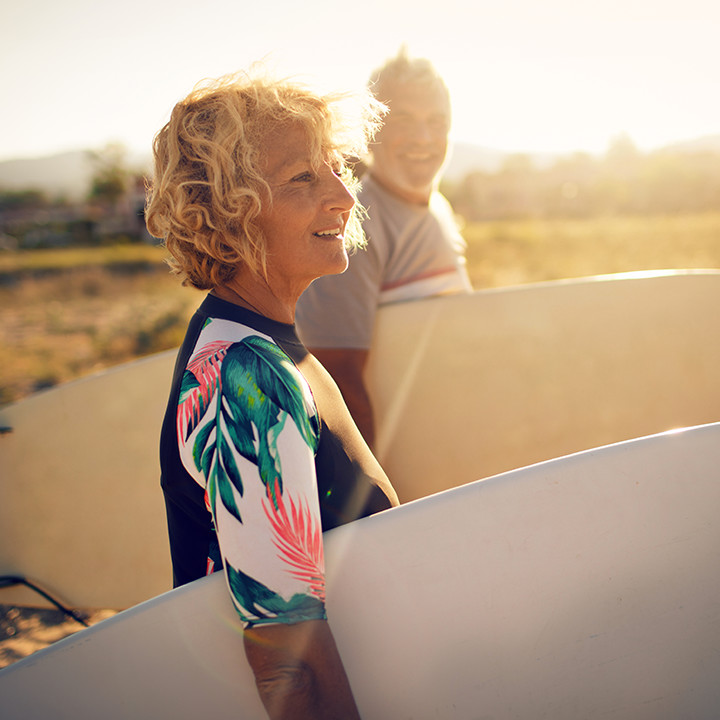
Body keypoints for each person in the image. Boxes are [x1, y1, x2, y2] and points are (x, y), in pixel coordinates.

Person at [146, 70, 399, 720]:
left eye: (337, 168)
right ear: (228, 210)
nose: (344, 196)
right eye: (302, 179)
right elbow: (283, 656)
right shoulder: (246, 373)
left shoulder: (265, 343)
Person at [295, 49, 472, 448]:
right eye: (403, 120)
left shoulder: (438, 209)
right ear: (370, 129)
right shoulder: (353, 226)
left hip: (456, 451)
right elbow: (335, 380)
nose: (424, 138)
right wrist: (378, 505)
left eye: (436, 122)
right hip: (408, 476)